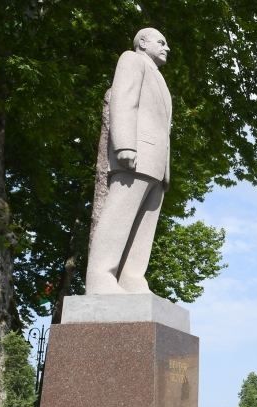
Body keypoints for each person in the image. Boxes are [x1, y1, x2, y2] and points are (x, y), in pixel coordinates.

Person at [86, 28, 172, 294]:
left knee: (145, 224)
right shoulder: (131, 60)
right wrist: (124, 144)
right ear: (142, 42)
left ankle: (131, 277)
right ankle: (101, 277)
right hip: (136, 153)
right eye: (161, 42)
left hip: (157, 162)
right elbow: (123, 101)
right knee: (119, 214)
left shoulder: (159, 78)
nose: (166, 48)